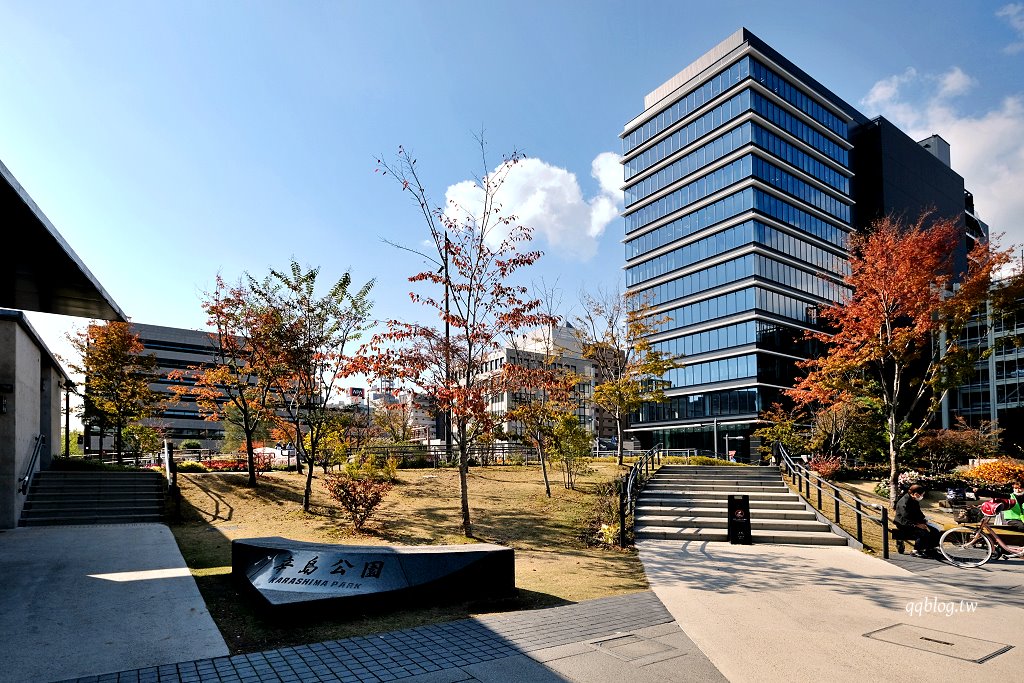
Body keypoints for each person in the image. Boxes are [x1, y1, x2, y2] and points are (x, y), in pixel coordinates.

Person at [894, 484, 942, 557]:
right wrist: (917, 525)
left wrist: (924, 519)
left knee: (935, 530)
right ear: (915, 494)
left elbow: (918, 512)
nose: (922, 497)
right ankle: (916, 550)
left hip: (914, 522)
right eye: (921, 495)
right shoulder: (904, 502)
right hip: (904, 524)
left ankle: (931, 549)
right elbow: (906, 517)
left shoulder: (914, 500)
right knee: (923, 532)